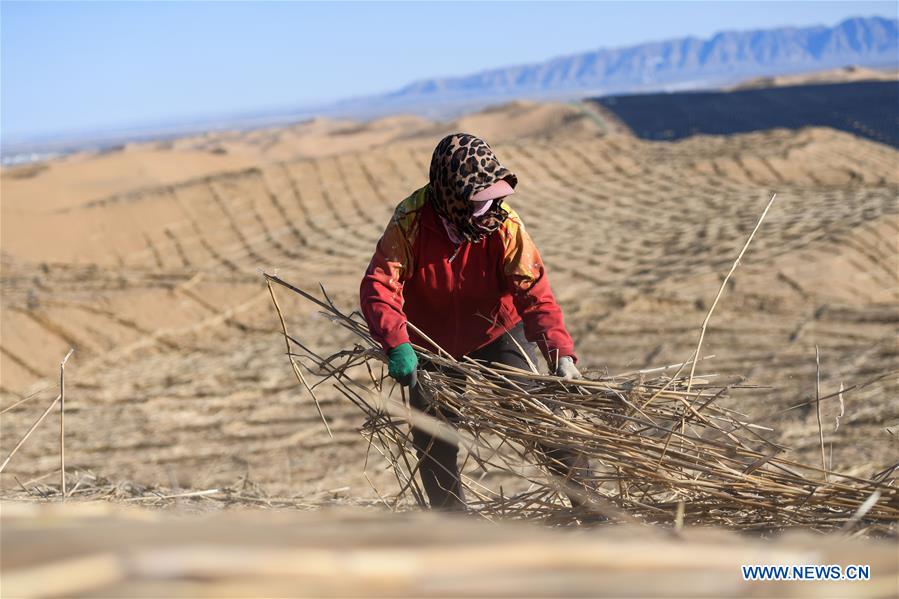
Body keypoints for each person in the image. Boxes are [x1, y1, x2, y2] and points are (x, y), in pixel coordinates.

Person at [360, 133, 587, 511]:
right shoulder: (410, 222)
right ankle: (455, 531)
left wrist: (559, 351)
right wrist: (397, 342)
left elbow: (534, 289)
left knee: (542, 422)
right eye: (479, 201)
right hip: (431, 345)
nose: (490, 208)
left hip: (497, 330)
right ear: (452, 195)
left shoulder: (505, 225)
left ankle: (594, 509)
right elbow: (380, 284)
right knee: (435, 441)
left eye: (495, 197)